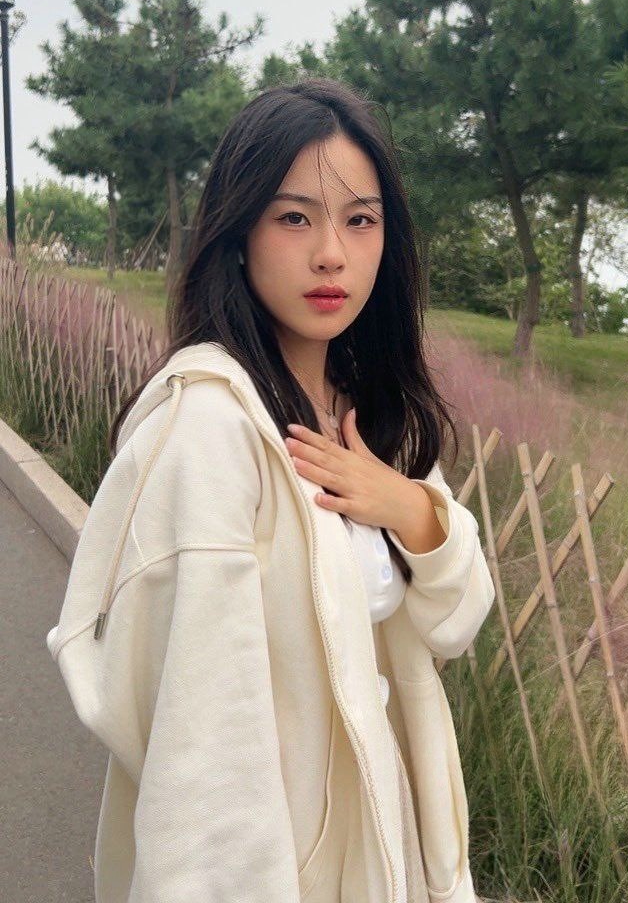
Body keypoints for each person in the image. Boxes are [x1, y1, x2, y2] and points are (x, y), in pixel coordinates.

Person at [46, 75, 496, 903]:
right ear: (238, 232)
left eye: (360, 220)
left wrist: (410, 509)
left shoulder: (370, 416)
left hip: (387, 842)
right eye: (294, 217)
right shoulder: (213, 428)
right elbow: (202, 759)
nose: (331, 253)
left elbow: (455, 622)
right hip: (277, 869)